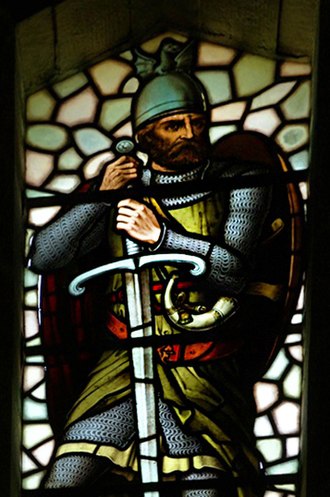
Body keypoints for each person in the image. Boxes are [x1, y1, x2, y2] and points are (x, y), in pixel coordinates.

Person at [29, 40, 292, 497]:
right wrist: (99, 199)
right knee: (66, 476)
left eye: (196, 122)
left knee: (204, 482)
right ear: (145, 136)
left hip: (204, 373)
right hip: (122, 369)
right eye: (174, 125)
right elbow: (44, 257)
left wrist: (161, 238)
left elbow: (231, 272)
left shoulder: (240, 184)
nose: (190, 132)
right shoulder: (120, 189)